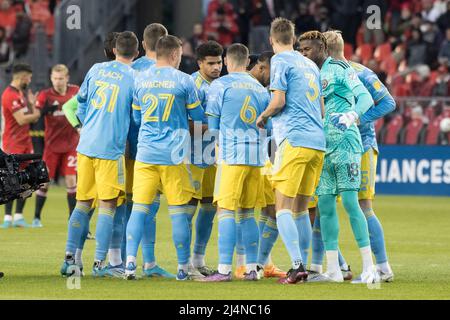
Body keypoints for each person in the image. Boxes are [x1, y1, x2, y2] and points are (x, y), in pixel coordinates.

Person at [298, 30, 378, 284]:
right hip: (322, 148)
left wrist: (352, 115)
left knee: (352, 204)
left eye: (308, 50)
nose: (304, 54)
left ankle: (369, 267)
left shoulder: (341, 69)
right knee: (325, 207)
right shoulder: (307, 74)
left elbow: (366, 97)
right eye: (301, 51)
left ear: (321, 48)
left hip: (345, 144)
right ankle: (332, 270)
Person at [124, 35, 204, 281]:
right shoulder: (184, 81)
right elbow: (199, 117)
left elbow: (137, 119)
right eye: (179, 55)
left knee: (139, 209)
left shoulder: (139, 80)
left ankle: (129, 265)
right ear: (173, 55)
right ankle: (182, 268)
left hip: (146, 153)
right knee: (178, 211)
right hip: (174, 154)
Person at [60, 31, 138, 278]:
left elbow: (80, 101)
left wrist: (87, 125)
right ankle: (99, 265)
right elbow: (136, 117)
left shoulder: (96, 69)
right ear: (137, 53)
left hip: (86, 146)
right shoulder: (135, 77)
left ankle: (71, 260)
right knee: (108, 206)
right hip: (110, 149)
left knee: (82, 204)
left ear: (115, 50)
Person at [255, 18, 326, 285]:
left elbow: (279, 100)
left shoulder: (281, 62)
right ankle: (304, 265)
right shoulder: (309, 64)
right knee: (300, 208)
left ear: (272, 40)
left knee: (282, 205)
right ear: (294, 38)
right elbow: (321, 109)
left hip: (294, 140)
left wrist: (263, 117)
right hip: (317, 142)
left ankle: (296, 267)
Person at [325, 31, 396, 281]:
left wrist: (357, 121)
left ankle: (383, 267)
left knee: (363, 205)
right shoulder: (329, 72)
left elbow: (388, 103)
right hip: (331, 146)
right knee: (322, 206)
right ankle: (338, 267)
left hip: (361, 146)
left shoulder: (361, 72)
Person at [201, 43, 270, 282]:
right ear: (247, 62)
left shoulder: (221, 85)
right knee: (248, 213)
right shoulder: (261, 89)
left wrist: (218, 149)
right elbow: (267, 125)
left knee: (226, 211)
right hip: (256, 158)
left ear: (228, 61)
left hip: (231, 156)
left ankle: (223, 269)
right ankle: (252, 268)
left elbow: (212, 126)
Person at [126, 23, 174, 279]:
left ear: (143, 45)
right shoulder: (172, 73)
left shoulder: (131, 70)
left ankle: (118, 260)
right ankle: (149, 262)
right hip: (162, 150)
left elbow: (129, 114)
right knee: (150, 207)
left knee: (129, 206)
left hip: (129, 148)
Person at [234, 51, 287, 280]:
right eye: (268, 70)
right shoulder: (243, 88)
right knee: (245, 209)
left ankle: (263, 262)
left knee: (272, 209)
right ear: (259, 67)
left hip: (271, 154)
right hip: (251, 155)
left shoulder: (269, 91)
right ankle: (242, 262)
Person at [189, 40, 223, 276]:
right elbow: (188, 123)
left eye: (219, 62)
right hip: (192, 155)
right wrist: (219, 129)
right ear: (200, 62)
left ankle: (198, 260)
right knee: (188, 208)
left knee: (210, 207)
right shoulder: (192, 84)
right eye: (211, 63)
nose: (216, 67)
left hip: (213, 156)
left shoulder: (222, 84)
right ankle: (185, 263)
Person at [33, 64, 79, 227]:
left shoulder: (76, 92)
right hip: (52, 146)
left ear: (67, 78)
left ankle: (72, 219)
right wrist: (44, 110)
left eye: (60, 78)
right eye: (54, 78)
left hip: (71, 145)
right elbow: (34, 116)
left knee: (71, 180)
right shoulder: (45, 95)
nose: (57, 81)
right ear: (51, 78)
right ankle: (37, 218)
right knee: (45, 181)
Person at [1, 63, 40, 229]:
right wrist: (37, 110)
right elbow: (22, 119)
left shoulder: (21, 94)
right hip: (12, 142)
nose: (30, 80)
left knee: (27, 178)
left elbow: (32, 118)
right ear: (23, 77)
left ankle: (18, 216)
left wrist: (32, 104)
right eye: (29, 77)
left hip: (25, 141)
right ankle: (7, 218)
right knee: (11, 178)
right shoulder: (9, 95)